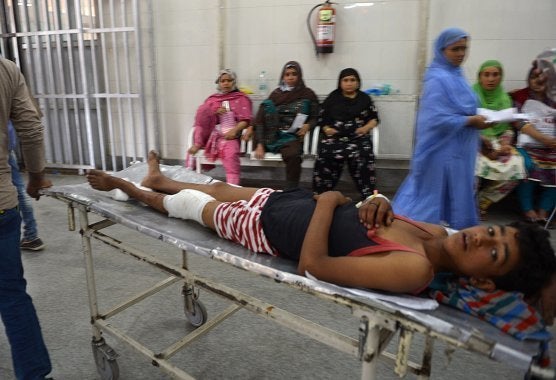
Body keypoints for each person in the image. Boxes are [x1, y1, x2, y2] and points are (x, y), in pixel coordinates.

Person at [85, 151, 556, 298]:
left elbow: (314, 264)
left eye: (492, 253)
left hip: (272, 231)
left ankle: (130, 190)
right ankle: (159, 176)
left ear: (480, 277)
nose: (482, 236)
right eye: (493, 231)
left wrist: (332, 202)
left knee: (189, 204)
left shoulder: (416, 270)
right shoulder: (436, 234)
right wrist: (374, 199)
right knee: (219, 188)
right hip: (293, 204)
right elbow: (376, 210)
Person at [393, 27, 490, 230]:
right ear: (442, 50)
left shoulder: (457, 75)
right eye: (455, 49)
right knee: (430, 197)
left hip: (460, 151)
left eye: (464, 48)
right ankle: (414, 235)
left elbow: (462, 111)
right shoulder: (438, 78)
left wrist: (480, 137)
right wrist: (471, 121)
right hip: (440, 152)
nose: (461, 54)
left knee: (455, 196)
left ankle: (454, 238)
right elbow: (435, 119)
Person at [0, 57, 53, 379]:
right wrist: (36, 175)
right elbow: (30, 126)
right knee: (11, 293)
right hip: (1, 204)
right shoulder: (6, 69)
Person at [312, 68, 380, 201]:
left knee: (364, 155)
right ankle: (321, 195)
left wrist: (366, 128)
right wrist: (326, 129)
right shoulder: (333, 98)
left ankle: (370, 197)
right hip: (335, 137)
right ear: (340, 82)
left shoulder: (365, 99)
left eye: (352, 80)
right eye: (345, 80)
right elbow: (322, 118)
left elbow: (374, 118)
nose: (349, 83)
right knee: (325, 154)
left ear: (358, 82)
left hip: (357, 137)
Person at [252, 61, 319, 189]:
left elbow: (315, 117)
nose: (290, 77)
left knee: (294, 155)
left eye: (294, 74)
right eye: (287, 74)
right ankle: (261, 143)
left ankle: (291, 191)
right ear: (283, 77)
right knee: (265, 105)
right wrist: (260, 144)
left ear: (299, 76)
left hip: (292, 136)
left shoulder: (308, 94)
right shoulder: (276, 94)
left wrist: (308, 126)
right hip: (272, 135)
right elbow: (261, 118)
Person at [472, 60, 526, 219]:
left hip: (498, 141)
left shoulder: (504, 99)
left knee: (517, 166)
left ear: (501, 77)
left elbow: (507, 127)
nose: (491, 79)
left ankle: (483, 201)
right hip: (474, 141)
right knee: (473, 165)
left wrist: (505, 144)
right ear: (480, 77)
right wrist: (481, 139)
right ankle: (468, 204)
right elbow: (465, 123)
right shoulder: (470, 96)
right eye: (486, 74)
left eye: (495, 75)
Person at [187, 69, 252, 185]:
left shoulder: (241, 98)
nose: (226, 83)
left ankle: (232, 187)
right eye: (223, 81)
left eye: (229, 80)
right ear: (219, 83)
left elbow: (246, 120)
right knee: (203, 109)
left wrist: (235, 130)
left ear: (234, 82)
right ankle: (189, 179)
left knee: (230, 153)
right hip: (211, 134)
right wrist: (214, 111)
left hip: (230, 134)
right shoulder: (212, 99)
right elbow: (203, 119)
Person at [510, 61, 556, 223]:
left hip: (551, 147)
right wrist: (543, 138)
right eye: (533, 77)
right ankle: (527, 209)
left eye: (542, 77)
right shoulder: (520, 97)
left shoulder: (553, 99)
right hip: (527, 145)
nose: (538, 81)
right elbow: (518, 122)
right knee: (528, 166)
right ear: (528, 79)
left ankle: (544, 209)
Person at [8, 121, 45, 251]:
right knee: (20, 190)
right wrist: (37, 176)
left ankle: (30, 234)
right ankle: (31, 234)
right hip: (6, 145)